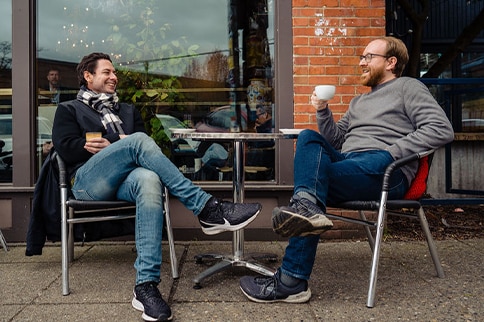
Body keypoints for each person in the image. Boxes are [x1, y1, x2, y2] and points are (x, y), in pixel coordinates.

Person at [239, 37, 454, 303]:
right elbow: (335, 140)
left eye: (368, 57)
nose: (362, 63)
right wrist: (322, 110)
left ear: (391, 62)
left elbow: (441, 129)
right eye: (362, 57)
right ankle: (305, 218)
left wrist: (391, 153)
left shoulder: (408, 87)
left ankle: (291, 277)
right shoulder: (358, 102)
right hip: (349, 165)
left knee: (311, 189)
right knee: (308, 137)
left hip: (385, 170)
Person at [52, 52, 262, 322]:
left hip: (125, 181)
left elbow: (144, 153)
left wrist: (116, 144)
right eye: (107, 72)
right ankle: (206, 207)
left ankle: (145, 286)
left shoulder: (127, 111)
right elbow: (64, 148)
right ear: (88, 76)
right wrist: (99, 142)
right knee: (137, 140)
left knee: (149, 179)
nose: (114, 77)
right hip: (87, 181)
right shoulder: (69, 109)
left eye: (114, 72)